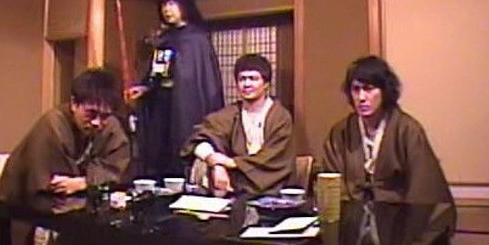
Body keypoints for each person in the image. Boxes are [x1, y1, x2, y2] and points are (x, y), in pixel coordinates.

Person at [320, 56, 455, 210]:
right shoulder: (340, 133)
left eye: (369, 89)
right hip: (352, 216)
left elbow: (423, 187)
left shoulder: (407, 131)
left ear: (384, 91)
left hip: (398, 216)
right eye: (356, 89)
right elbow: (332, 185)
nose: (361, 97)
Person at [126, 0, 224, 179]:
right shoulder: (164, 39)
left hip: (186, 107)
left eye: (172, 4)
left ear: (184, 6)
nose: (167, 10)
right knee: (158, 152)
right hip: (161, 107)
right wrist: (146, 88)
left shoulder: (197, 39)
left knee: (182, 147)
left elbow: (198, 78)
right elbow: (158, 73)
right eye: (164, 5)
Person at [0, 68, 130, 206]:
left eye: (105, 116)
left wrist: (84, 182)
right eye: (90, 114)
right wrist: (88, 183)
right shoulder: (53, 124)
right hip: (26, 206)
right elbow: (55, 186)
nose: (97, 122)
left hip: (78, 204)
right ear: (74, 104)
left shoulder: (110, 126)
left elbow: (115, 169)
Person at [181, 54, 294, 196]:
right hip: (232, 185)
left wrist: (231, 163)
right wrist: (216, 163)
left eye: (253, 79)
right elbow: (200, 139)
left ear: (266, 84)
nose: (247, 84)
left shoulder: (280, 117)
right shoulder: (230, 114)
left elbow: (273, 157)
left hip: (269, 186)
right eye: (242, 79)